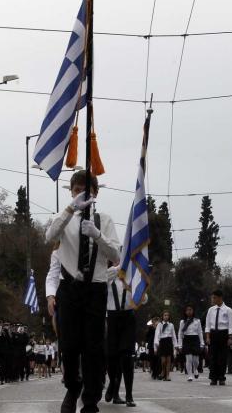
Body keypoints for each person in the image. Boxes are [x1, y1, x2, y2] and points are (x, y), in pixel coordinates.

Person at [45, 170, 120, 413]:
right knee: (69, 344)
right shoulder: (63, 218)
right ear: (71, 192)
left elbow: (116, 256)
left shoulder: (104, 220)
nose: (80, 195)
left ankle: (90, 398)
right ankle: (72, 386)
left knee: (93, 348)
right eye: (76, 190)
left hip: (95, 289)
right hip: (70, 289)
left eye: (85, 191)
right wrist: (70, 209)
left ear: (96, 193)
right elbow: (50, 236)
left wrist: (97, 235)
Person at [105, 267, 143, 407]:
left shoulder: (133, 276)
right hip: (112, 317)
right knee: (111, 356)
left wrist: (134, 287)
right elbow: (102, 277)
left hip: (128, 317)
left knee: (127, 357)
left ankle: (129, 395)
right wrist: (118, 268)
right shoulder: (109, 274)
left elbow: (144, 299)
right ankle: (112, 386)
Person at [204, 290, 232, 386]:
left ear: (220, 298)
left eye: (214, 298)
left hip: (223, 333)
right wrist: (208, 336)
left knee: (222, 357)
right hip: (213, 334)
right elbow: (208, 324)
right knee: (212, 357)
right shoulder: (211, 310)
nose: (213, 299)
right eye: (212, 298)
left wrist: (230, 337)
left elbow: (231, 325)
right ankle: (213, 378)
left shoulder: (228, 310)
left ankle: (221, 377)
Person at [178, 305, 204, 382]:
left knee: (196, 360)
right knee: (188, 359)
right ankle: (190, 375)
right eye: (187, 310)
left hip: (195, 339)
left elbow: (200, 332)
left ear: (193, 311)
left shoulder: (197, 321)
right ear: (185, 312)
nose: (189, 311)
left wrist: (202, 343)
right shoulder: (182, 322)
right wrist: (180, 345)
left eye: (190, 310)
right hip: (187, 339)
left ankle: (195, 369)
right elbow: (180, 333)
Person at [154, 310, 177, 382]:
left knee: (168, 360)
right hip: (162, 342)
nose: (166, 317)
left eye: (167, 315)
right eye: (165, 315)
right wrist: (156, 346)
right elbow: (157, 335)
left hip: (169, 342)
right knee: (163, 361)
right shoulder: (160, 325)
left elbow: (173, 336)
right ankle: (163, 371)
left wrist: (176, 345)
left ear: (169, 317)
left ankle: (167, 375)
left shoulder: (171, 325)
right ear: (162, 316)